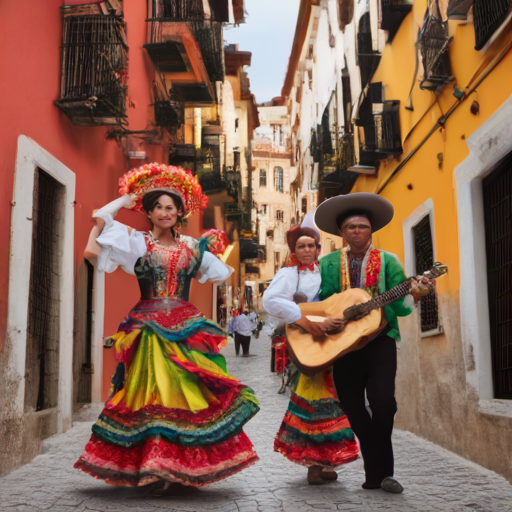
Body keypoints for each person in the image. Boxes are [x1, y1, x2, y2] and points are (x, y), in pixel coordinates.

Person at [75, 163, 259, 492]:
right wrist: (124, 201)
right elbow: (99, 227)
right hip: (147, 329)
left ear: (179, 213)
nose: (163, 212)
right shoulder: (136, 242)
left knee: (186, 392)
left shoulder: (192, 247)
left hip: (186, 327)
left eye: (169, 207)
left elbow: (218, 274)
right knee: (150, 393)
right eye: (157, 206)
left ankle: (181, 463)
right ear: (148, 212)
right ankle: (156, 465)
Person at [314, 193, 431, 494]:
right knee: (351, 406)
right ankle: (380, 471)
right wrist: (330, 318)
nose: (356, 231)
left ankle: (381, 473)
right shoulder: (326, 263)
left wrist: (416, 293)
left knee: (383, 403)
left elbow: (402, 304)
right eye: (350, 227)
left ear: (370, 230)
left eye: (362, 227)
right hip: (343, 344)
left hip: (380, 340)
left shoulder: (388, 261)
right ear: (341, 232)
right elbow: (320, 301)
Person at [262, 214, 359, 485]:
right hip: (307, 342)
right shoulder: (288, 274)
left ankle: (329, 459)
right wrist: (303, 318)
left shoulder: (329, 272)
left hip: (335, 341)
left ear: (318, 249)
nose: (307, 250)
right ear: (294, 251)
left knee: (336, 401)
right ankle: (314, 464)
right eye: (301, 246)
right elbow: (270, 300)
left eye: (311, 246)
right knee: (315, 402)